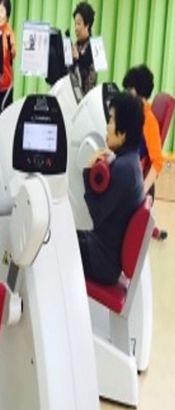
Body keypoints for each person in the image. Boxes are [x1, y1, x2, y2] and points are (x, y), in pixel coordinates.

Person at [77, 92, 145, 285]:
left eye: (111, 121)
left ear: (122, 134)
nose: (107, 126)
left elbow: (96, 215)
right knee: (60, 234)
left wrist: (87, 170)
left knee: (51, 245)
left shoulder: (124, 169)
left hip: (101, 262)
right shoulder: (131, 162)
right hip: (103, 253)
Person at [123, 64, 168, 240]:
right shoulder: (134, 113)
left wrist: (141, 191)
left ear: (139, 93)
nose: (127, 94)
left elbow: (158, 162)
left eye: (129, 90)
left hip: (139, 183)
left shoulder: (149, 121)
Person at [0, 0, 16, 110]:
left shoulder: (9, 34)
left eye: (2, 12)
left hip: (7, 86)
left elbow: (12, 54)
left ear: (7, 15)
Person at [72, 2, 97, 96]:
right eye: (75, 24)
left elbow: (87, 62)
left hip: (87, 97)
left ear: (87, 25)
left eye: (78, 24)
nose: (76, 28)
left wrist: (78, 57)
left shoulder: (94, 46)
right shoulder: (75, 46)